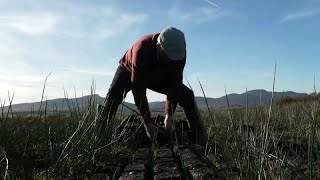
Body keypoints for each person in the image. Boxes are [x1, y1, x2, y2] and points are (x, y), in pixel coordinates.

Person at [97, 27, 206, 144]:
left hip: (159, 74)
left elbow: (175, 84)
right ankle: (100, 134)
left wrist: (169, 115)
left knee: (187, 95)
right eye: (168, 57)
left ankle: (198, 136)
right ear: (158, 46)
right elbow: (138, 89)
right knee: (114, 95)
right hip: (129, 70)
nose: (171, 62)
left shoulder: (179, 54)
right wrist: (147, 122)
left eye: (174, 59)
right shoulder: (142, 48)